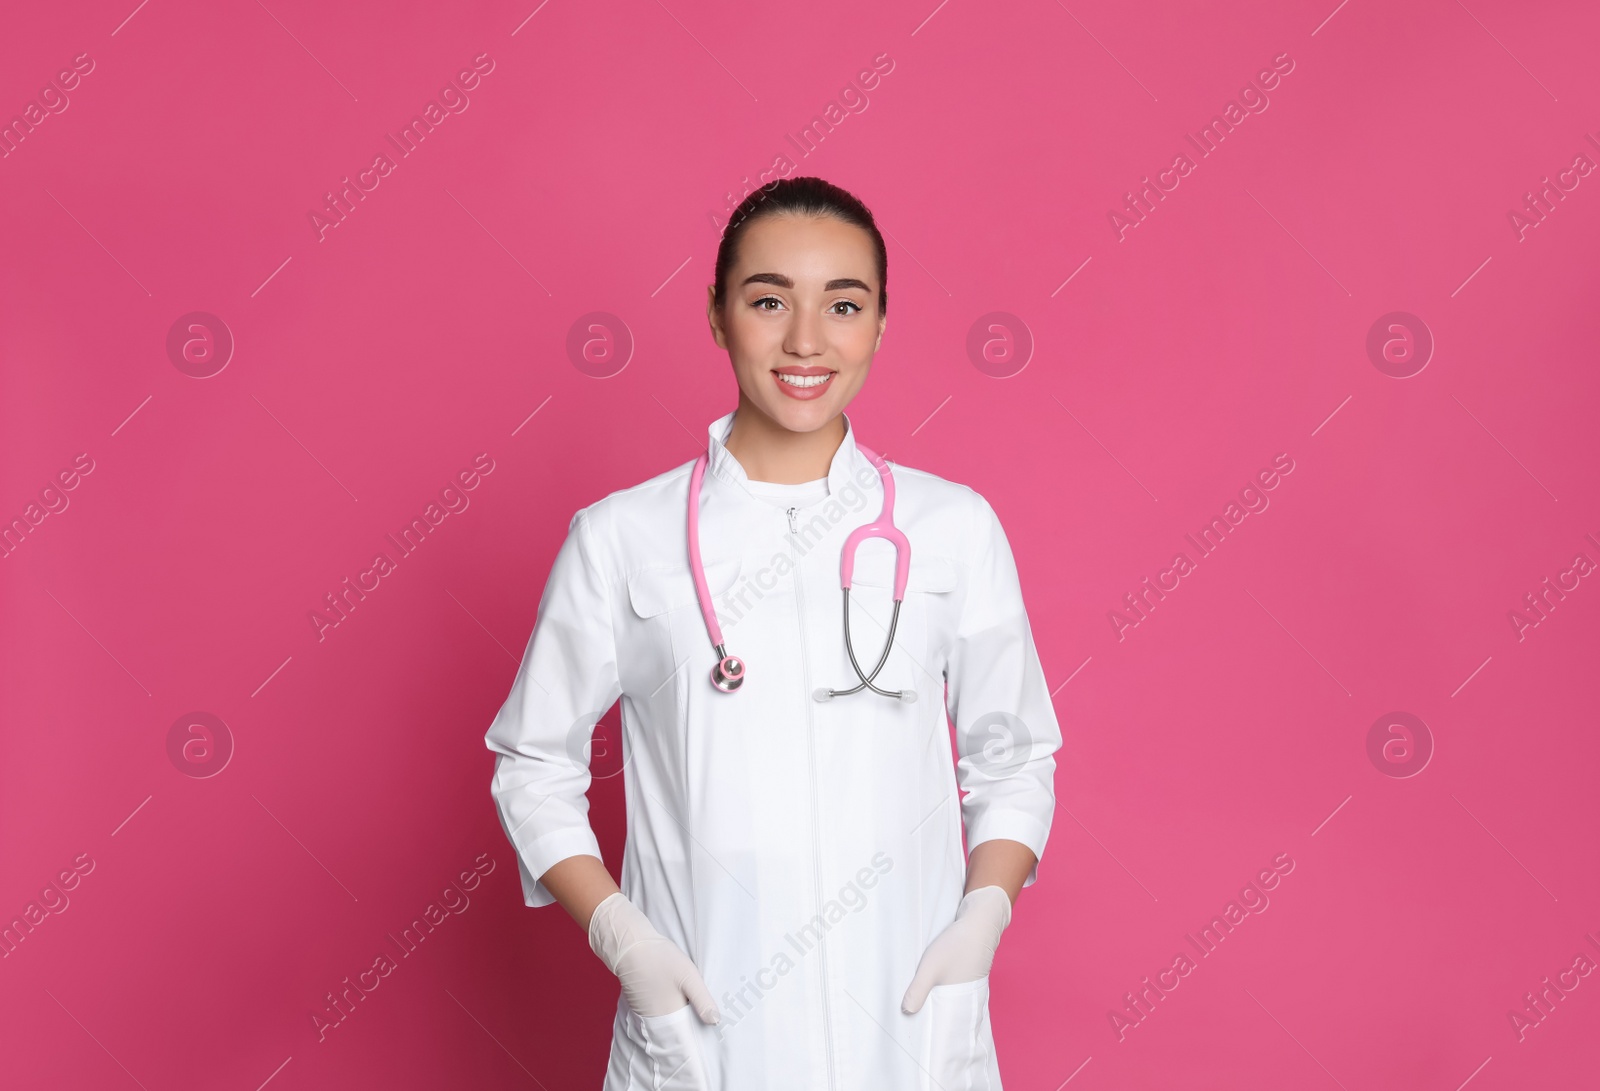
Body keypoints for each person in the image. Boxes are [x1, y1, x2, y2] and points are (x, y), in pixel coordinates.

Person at [484, 176, 1061, 1089]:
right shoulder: (621, 539)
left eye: (843, 304)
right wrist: (624, 939)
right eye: (767, 301)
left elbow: (1013, 755)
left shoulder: (953, 528)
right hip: (706, 1030)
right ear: (717, 316)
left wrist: (982, 917)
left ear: (881, 324)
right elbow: (531, 764)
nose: (805, 340)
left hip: (907, 1025)